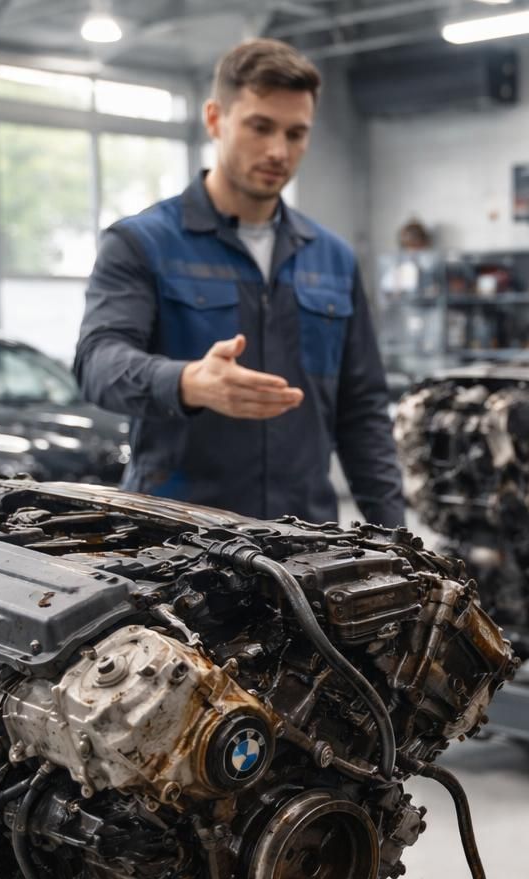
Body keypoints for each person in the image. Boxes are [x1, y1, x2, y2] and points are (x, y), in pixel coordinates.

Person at [74, 38, 404, 527]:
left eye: (296, 134)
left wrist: (396, 542)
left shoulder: (332, 259)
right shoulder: (142, 242)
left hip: (304, 538)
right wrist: (186, 382)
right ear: (215, 119)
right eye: (260, 127)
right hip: (176, 542)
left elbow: (363, 413)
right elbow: (98, 362)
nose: (278, 150)